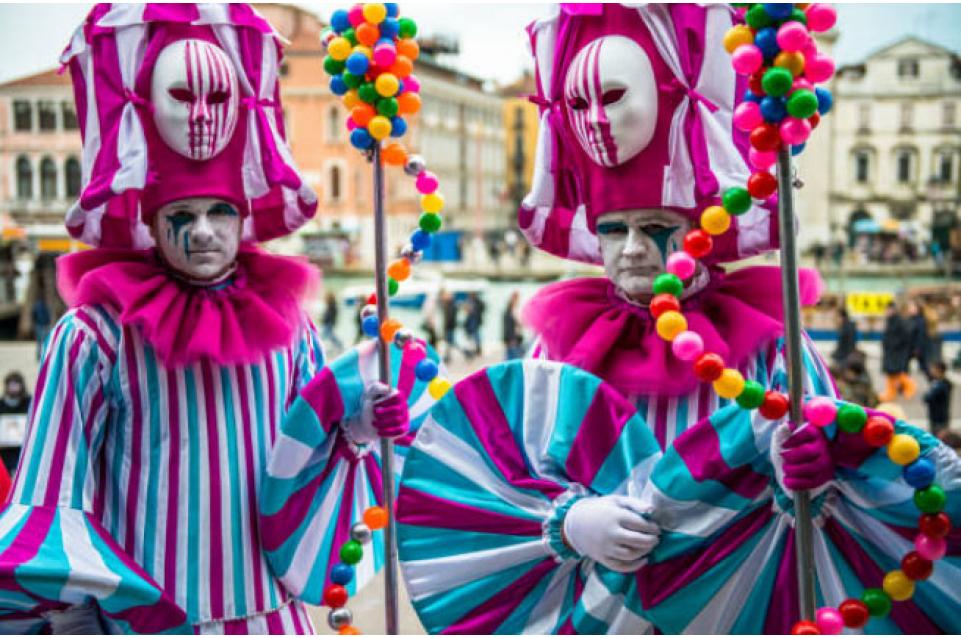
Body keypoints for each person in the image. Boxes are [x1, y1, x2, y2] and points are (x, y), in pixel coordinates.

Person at [395, 4, 960, 634]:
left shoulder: (770, 344)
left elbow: (831, 461)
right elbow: (511, 467)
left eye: (657, 228)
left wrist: (817, 472)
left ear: (700, 232)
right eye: (613, 230)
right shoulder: (556, 348)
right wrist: (569, 521)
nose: (632, 248)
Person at [0, 6, 409, 633]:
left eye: (220, 211)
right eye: (180, 216)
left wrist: (354, 427)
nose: (203, 234)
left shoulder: (290, 327)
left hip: (276, 620)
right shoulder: (92, 338)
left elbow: (300, 461)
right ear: (147, 218)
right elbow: (53, 498)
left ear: (244, 214)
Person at [880, 301, 916, 401]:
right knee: (891, 374)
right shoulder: (890, 320)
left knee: (898, 373)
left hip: (896, 353)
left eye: (888, 309)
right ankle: (890, 393)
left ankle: (910, 387)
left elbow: (905, 337)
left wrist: (894, 345)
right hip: (891, 352)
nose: (886, 312)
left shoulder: (899, 321)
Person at [0, 371, 30, 475]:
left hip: (24, 447)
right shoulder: (1, 405)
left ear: (21, 385)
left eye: (16, 384)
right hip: (5, 449)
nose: (13, 387)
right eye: (11, 384)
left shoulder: (29, 402)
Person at [924, 360, 953, 438]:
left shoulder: (941, 385)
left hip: (939, 418)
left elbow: (927, 398)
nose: (931, 371)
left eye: (933, 369)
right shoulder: (943, 383)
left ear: (939, 370)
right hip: (939, 417)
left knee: (939, 439)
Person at [907, 299, 932, 380]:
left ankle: (933, 381)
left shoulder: (920, 320)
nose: (910, 309)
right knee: (904, 366)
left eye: (912, 307)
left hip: (918, 348)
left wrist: (917, 348)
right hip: (910, 347)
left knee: (924, 367)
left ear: (917, 309)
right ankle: (903, 385)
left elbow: (921, 336)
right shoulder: (910, 319)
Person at [440, 288, 461, 363]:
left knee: (450, 342)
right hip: (450, 327)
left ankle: (466, 352)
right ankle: (447, 356)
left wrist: (445, 328)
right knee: (450, 342)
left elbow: (449, 318)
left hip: (449, 327)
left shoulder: (450, 305)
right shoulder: (451, 305)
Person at [463, 292, 486, 358]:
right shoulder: (474, 302)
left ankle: (476, 350)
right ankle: (475, 350)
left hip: (474, 322)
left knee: (475, 337)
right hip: (472, 323)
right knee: (473, 337)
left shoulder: (477, 302)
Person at [502, 290, 523, 360]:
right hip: (512, 338)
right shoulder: (511, 311)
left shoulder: (511, 310)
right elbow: (509, 326)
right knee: (513, 358)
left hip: (514, 338)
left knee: (511, 358)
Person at [30, 292, 50, 361]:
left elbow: (33, 315)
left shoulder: (36, 306)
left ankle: (38, 356)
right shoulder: (44, 305)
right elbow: (47, 315)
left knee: (39, 342)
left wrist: (35, 323)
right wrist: (48, 322)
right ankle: (43, 356)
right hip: (43, 325)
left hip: (38, 325)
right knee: (44, 341)